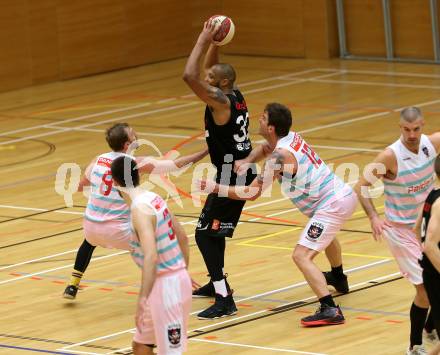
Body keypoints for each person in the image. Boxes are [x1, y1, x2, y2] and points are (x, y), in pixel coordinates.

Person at [198, 103, 357, 326]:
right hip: (338, 196)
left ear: (271, 127)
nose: (258, 120)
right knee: (324, 234)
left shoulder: (280, 157)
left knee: (301, 255)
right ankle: (338, 277)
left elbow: (251, 193)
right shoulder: (289, 138)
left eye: (263, 118)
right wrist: (247, 161)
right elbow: (264, 148)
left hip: (332, 204)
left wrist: (216, 188)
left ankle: (330, 308)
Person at [63, 122, 207, 299]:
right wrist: (206, 151)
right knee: (161, 243)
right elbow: (176, 165)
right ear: (127, 144)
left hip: (90, 228)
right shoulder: (136, 163)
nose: (136, 135)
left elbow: (80, 186)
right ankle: (176, 280)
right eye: (133, 134)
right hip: (119, 233)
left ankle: (72, 285)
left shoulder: (98, 160)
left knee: (89, 241)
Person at [182, 19, 256, 319]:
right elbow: (210, 69)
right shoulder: (233, 94)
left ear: (221, 83)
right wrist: (216, 41)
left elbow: (188, 75)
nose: (205, 76)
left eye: (210, 76)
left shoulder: (220, 102)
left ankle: (225, 298)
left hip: (232, 174)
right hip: (234, 168)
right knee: (213, 233)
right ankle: (217, 284)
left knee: (203, 234)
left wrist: (201, 37)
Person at [354, 107, 440, 354]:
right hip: (401, 230)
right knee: (424, 288)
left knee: (437, 282)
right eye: (406, 129)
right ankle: (414, 346)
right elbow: (361, 186)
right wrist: (373, 216)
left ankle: (431, 326)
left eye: (416, 129)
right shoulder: (389, 157)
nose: (411, 134)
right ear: (399, 127)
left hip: (428, 224)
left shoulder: (432, 143)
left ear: (423, 124)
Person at [111, 155, 191, 355]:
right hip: (170, 281)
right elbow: (183, 237)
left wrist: (142, 298)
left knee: (171, 352)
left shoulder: (140, 210)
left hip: (166, 287)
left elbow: (151, 256)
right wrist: (182, 273)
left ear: (114, 182)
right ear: (138, 174)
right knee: (141, 346)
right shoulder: (154, 198)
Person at [416, 154, 440, 355]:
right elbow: (430, 245)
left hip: (431, 271)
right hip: (436, 274)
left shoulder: (432, 195)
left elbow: (417, 229)